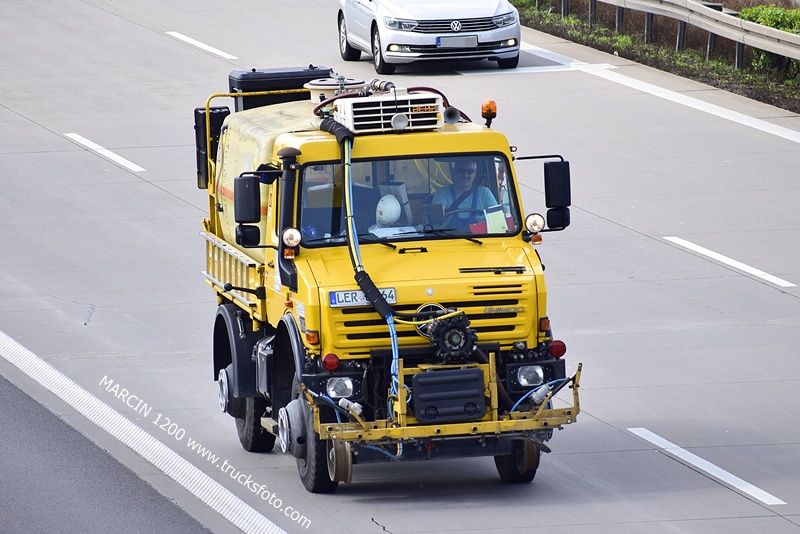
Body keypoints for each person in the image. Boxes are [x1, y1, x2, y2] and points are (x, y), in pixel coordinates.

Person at [431, 159, 498, 228]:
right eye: (461, 170)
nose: (465, 175)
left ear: (475, 173)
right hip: (448, 237)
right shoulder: (443, 193)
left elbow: (497, 221)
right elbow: (436, 215)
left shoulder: (485, 193)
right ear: (454, 172)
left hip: (481, 238)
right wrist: (438, 212)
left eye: (470, 171)